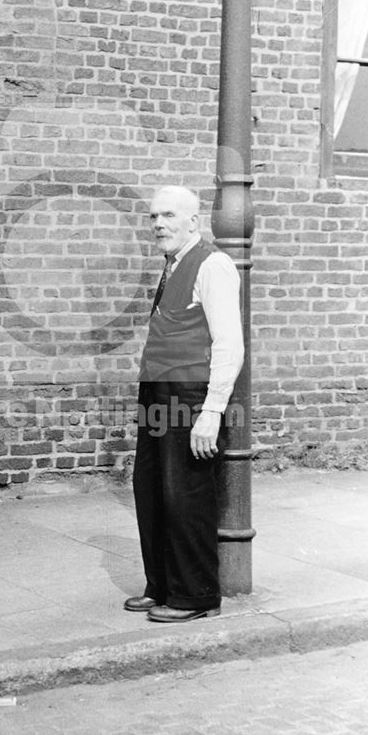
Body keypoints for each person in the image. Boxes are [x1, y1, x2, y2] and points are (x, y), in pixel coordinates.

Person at [125, 184, 244, 622]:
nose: (159, 225)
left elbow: (229, 345)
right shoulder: (172, 264)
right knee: (152, 490)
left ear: (193, 220)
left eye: (169, 216)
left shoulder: (213, 263)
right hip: (156, 391)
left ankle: (194, 596)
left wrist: (210, 413)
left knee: (186, 496)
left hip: (190, 394)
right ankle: (161, 585)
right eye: (154, 217)